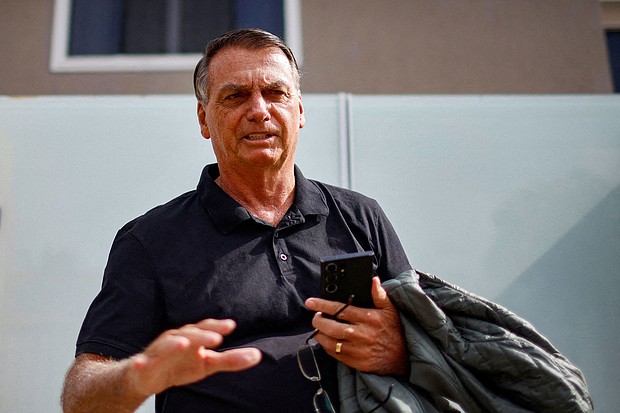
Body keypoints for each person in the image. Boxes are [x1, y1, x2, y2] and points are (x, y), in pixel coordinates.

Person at [61, 28, 412, 413]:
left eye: (276, 93)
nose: (259, 110)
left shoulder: (361, 216)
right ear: (204, 119)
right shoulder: (149, 240)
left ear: (299, 111)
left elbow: (432, 345)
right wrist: (142, 374)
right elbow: (81, 398)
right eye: (235, 96)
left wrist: (399, 351)